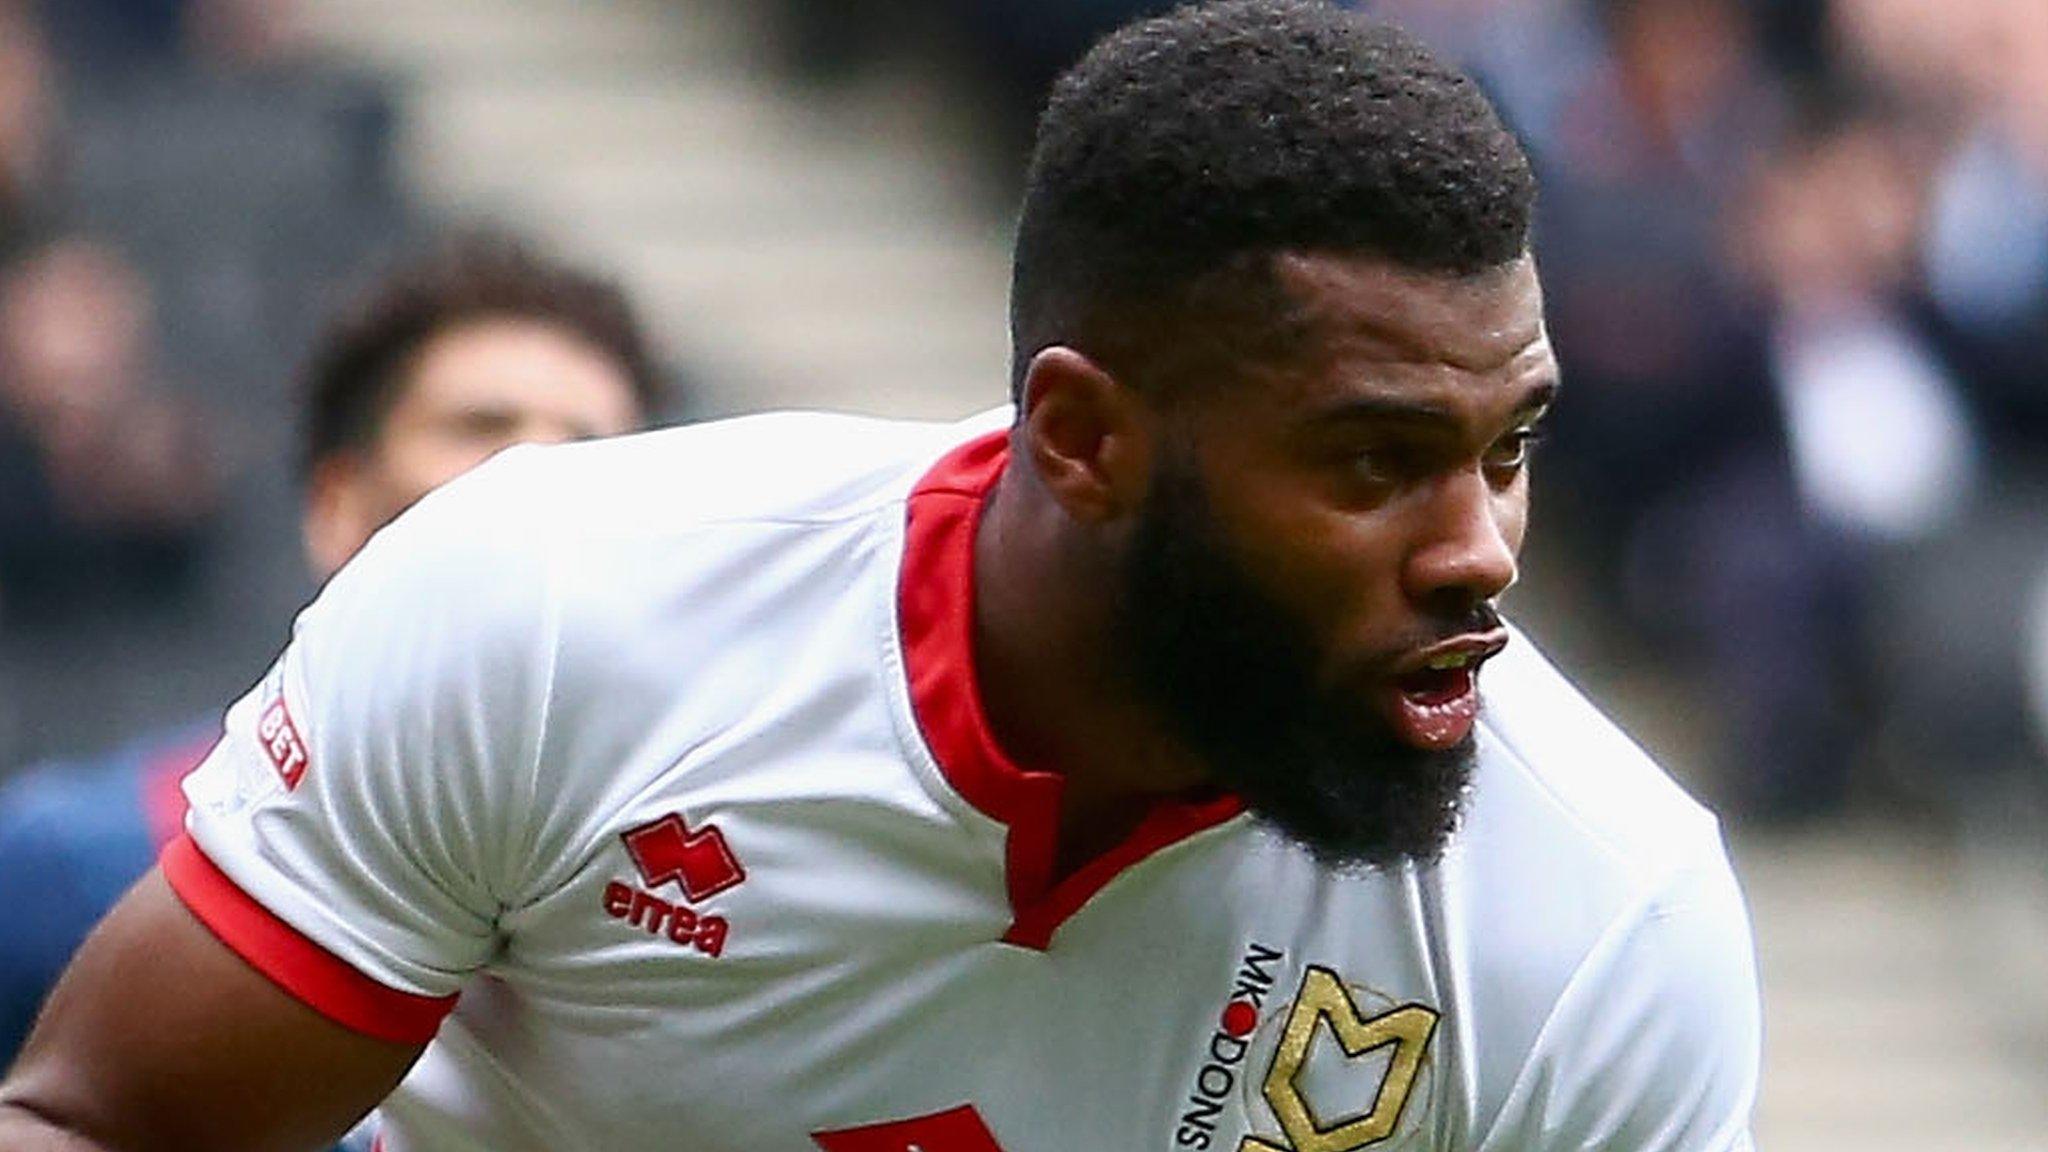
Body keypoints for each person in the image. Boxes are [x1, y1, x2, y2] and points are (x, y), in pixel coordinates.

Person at [0, 5, 1761, 1150]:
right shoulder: (559, 611)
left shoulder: (1601, 926)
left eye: (1508, 447)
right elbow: (107, 1121)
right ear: (1081, 438)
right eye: (1372, 461)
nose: (1478, 548)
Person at [0, 231, 664, 1065]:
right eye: (482, 425)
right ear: (337, 506)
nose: (541, 470)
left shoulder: (719, 889)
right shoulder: (69, 861)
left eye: (592, 446)